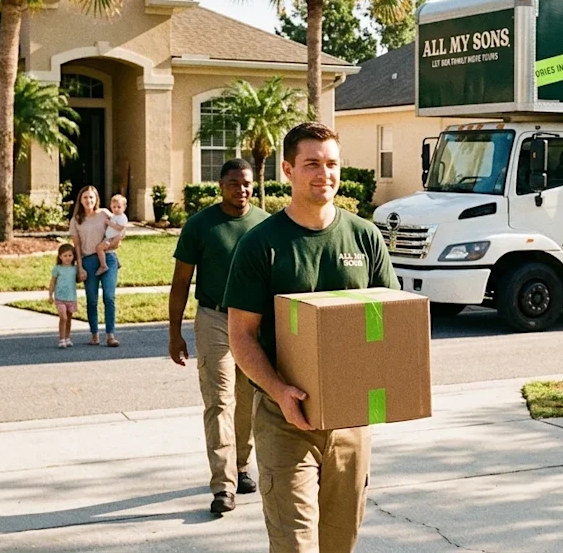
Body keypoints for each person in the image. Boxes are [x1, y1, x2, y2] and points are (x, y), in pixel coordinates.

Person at [225, 122, 399, 553]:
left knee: (340, 545)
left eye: (332, 163)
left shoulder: (364, 236)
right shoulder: (260, 244)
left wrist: (380, 389)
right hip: (285, 421)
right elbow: (241, 336)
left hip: (350, 423)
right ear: (287, 169)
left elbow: (390, 325)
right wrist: (280, 391)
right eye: (311, 164)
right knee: (295, 546)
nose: (324, 174)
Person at [169, 159, 269, 515]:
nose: (240, 190)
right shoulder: (200, 226)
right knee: (219, 401)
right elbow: (181, 282)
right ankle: (222, 486)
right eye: (232, 183)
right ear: (220, 185)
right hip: (214, 317)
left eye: (246, 184)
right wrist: (174, 332)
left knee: (248, 399)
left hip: (255, 322)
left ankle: (241, 465)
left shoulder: (264, 224)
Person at [69, 185, 123, 347]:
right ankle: (94, 334)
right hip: (88, 261)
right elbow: (77, 246)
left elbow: (120, 233)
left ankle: (110, 335)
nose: (88, 200)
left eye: (91, 197)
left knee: (109, 296)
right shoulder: (76, 220)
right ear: (80, 199)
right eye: (85, 197)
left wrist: (111, 245)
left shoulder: (105, 214)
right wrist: (80, 267)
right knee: (92, 299)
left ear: (96, 199)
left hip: (108, 258)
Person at [48, 243, 80, 348]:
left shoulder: (75, 269)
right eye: (65, 256)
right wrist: (50, 295)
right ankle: (61, 339)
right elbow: (53, 282)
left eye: (70, 255)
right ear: (60, 256)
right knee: (63, 317)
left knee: (69, 319)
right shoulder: (57, 269)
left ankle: (67, 337)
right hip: (60, 298)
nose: (67, 258)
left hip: (71, 297)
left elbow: (80, 278)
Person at [94, 194, 128, 275]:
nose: (116, 209)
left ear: (124, 207)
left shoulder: (122, 217)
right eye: (114, 207)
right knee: (107, 250)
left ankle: (103, 265)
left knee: (99, 248)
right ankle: (117, 262)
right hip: (109, 237)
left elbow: (120, 228)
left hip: (113, 238)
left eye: (119, 207)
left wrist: (109, 223)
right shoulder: (114, 216)